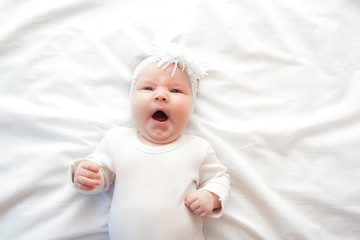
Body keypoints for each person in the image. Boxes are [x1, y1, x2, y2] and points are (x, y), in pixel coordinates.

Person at [69, 42, 230, 240]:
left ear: (192, 105)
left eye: (175, 91)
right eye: (148, 87)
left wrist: (210, 196)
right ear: (131, 99)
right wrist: (85, 174)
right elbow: (99, 173)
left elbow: (219, 178)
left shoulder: (198, 148)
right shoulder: (117, 140)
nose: (161, 95)